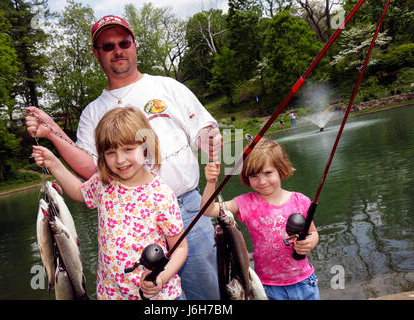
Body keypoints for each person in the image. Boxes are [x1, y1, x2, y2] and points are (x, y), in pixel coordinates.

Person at [25, 15, 222, 299]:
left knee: (207, 295)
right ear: (97, 54)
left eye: (124, 42)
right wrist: (53, 132)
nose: (117, 50)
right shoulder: (93, 112)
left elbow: (204, 129)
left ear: (134, 45)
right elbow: (89, 169)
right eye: (107, 46)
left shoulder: (167, 86)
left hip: (187, 207)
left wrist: (212, 140)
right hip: (125, 221)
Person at [31, 107, 188, 300]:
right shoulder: (104, 183)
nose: (120, 160)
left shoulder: (161, 194)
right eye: (111, 152)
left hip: (158, 296)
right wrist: (53, 162)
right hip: (111, 293)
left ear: (146, 146)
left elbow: (180, 248)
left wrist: (161, 278)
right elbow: (79, 193)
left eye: (128, 149)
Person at [201, 138, 320, 300]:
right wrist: (210, 183)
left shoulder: (301, 201)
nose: (262, 181)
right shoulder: (246, 203)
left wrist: (310, 242)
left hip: (305, 281)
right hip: (268, 287)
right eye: (254, 176)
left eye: (268, 173)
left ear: (281, 170)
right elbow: (209, 210)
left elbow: (313, 232)